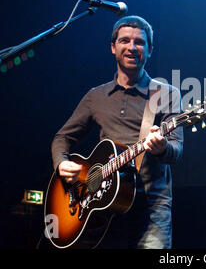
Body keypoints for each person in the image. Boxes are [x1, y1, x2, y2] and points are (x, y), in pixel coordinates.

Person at [51, 15, 183, 249]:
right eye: (124, 40)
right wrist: (61, 163)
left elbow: (176, 150)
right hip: (101, 207)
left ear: (150, 50)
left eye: (140, 42)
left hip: (151, 207)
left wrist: (163, 147)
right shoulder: (96, 96)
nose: (132, 47)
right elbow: (63, 137)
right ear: (113, 47)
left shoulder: (166, 94)